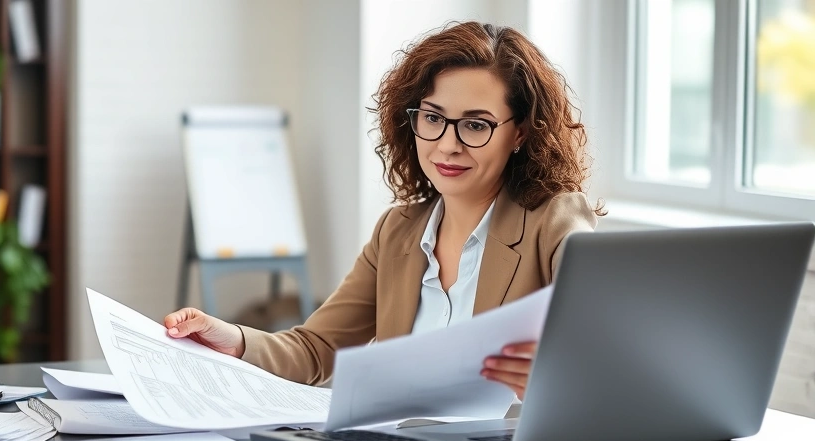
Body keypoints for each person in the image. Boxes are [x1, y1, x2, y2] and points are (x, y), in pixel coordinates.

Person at [164, 21, 602, 400]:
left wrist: (557, 375)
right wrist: (235, 341)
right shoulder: (399, 231)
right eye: (432, 118)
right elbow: (317, 349)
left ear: (521, 133)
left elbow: (606, 349)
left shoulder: (553, 220)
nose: (447, 144)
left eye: (475, 125)